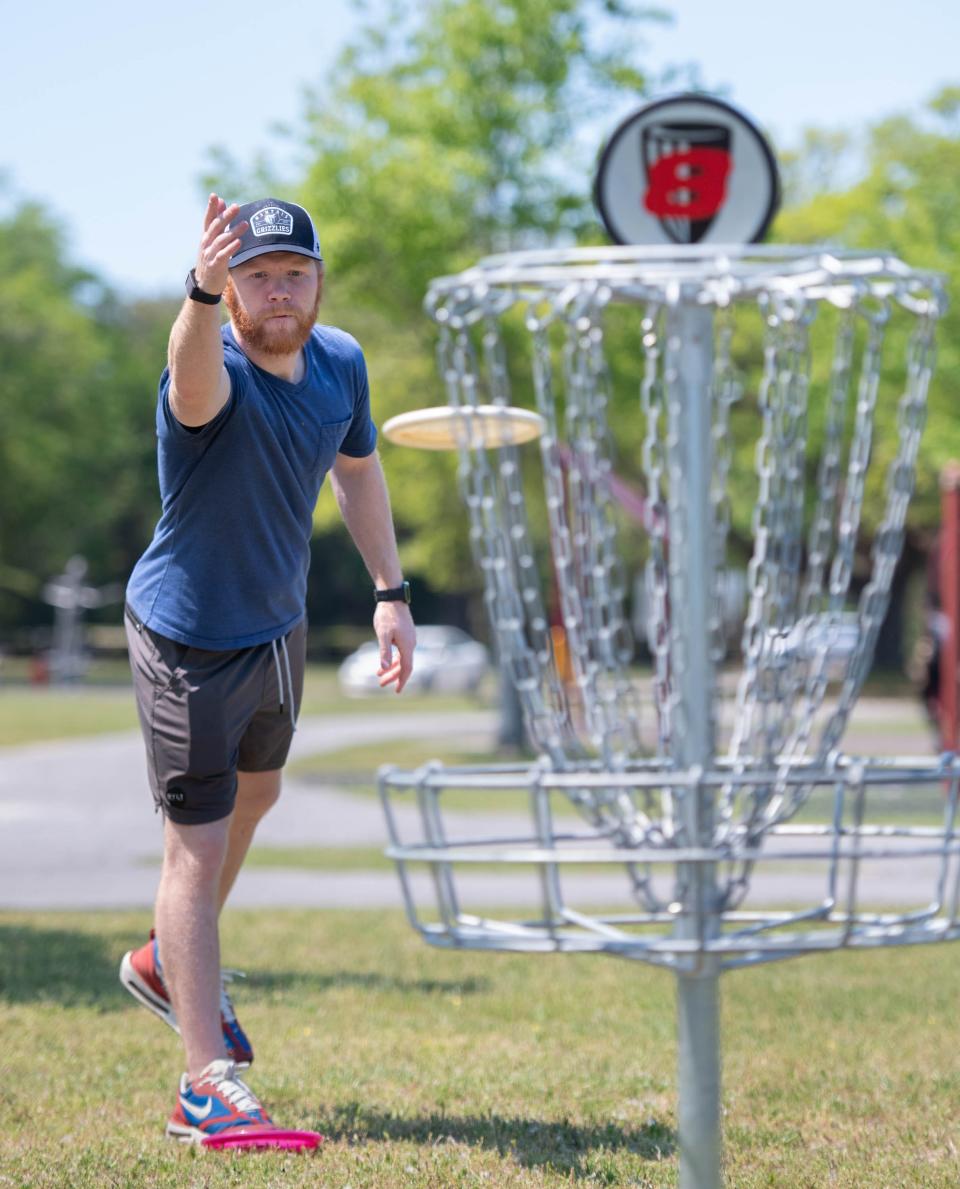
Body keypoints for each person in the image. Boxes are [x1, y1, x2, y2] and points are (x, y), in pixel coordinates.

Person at [118, 194, 416, 1148]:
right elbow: (190, 376)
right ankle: (204, 1083)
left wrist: (389, 589)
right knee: (194, 850)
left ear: (318, 279)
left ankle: (168, 961)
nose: (277, 293)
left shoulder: (341, 362)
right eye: (255, 277)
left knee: (261, 793)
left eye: (294, 273)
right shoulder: (216, 372)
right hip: (189, 636)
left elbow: (358, 469)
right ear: (229, 286)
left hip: (276, 629)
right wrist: (199, 298)